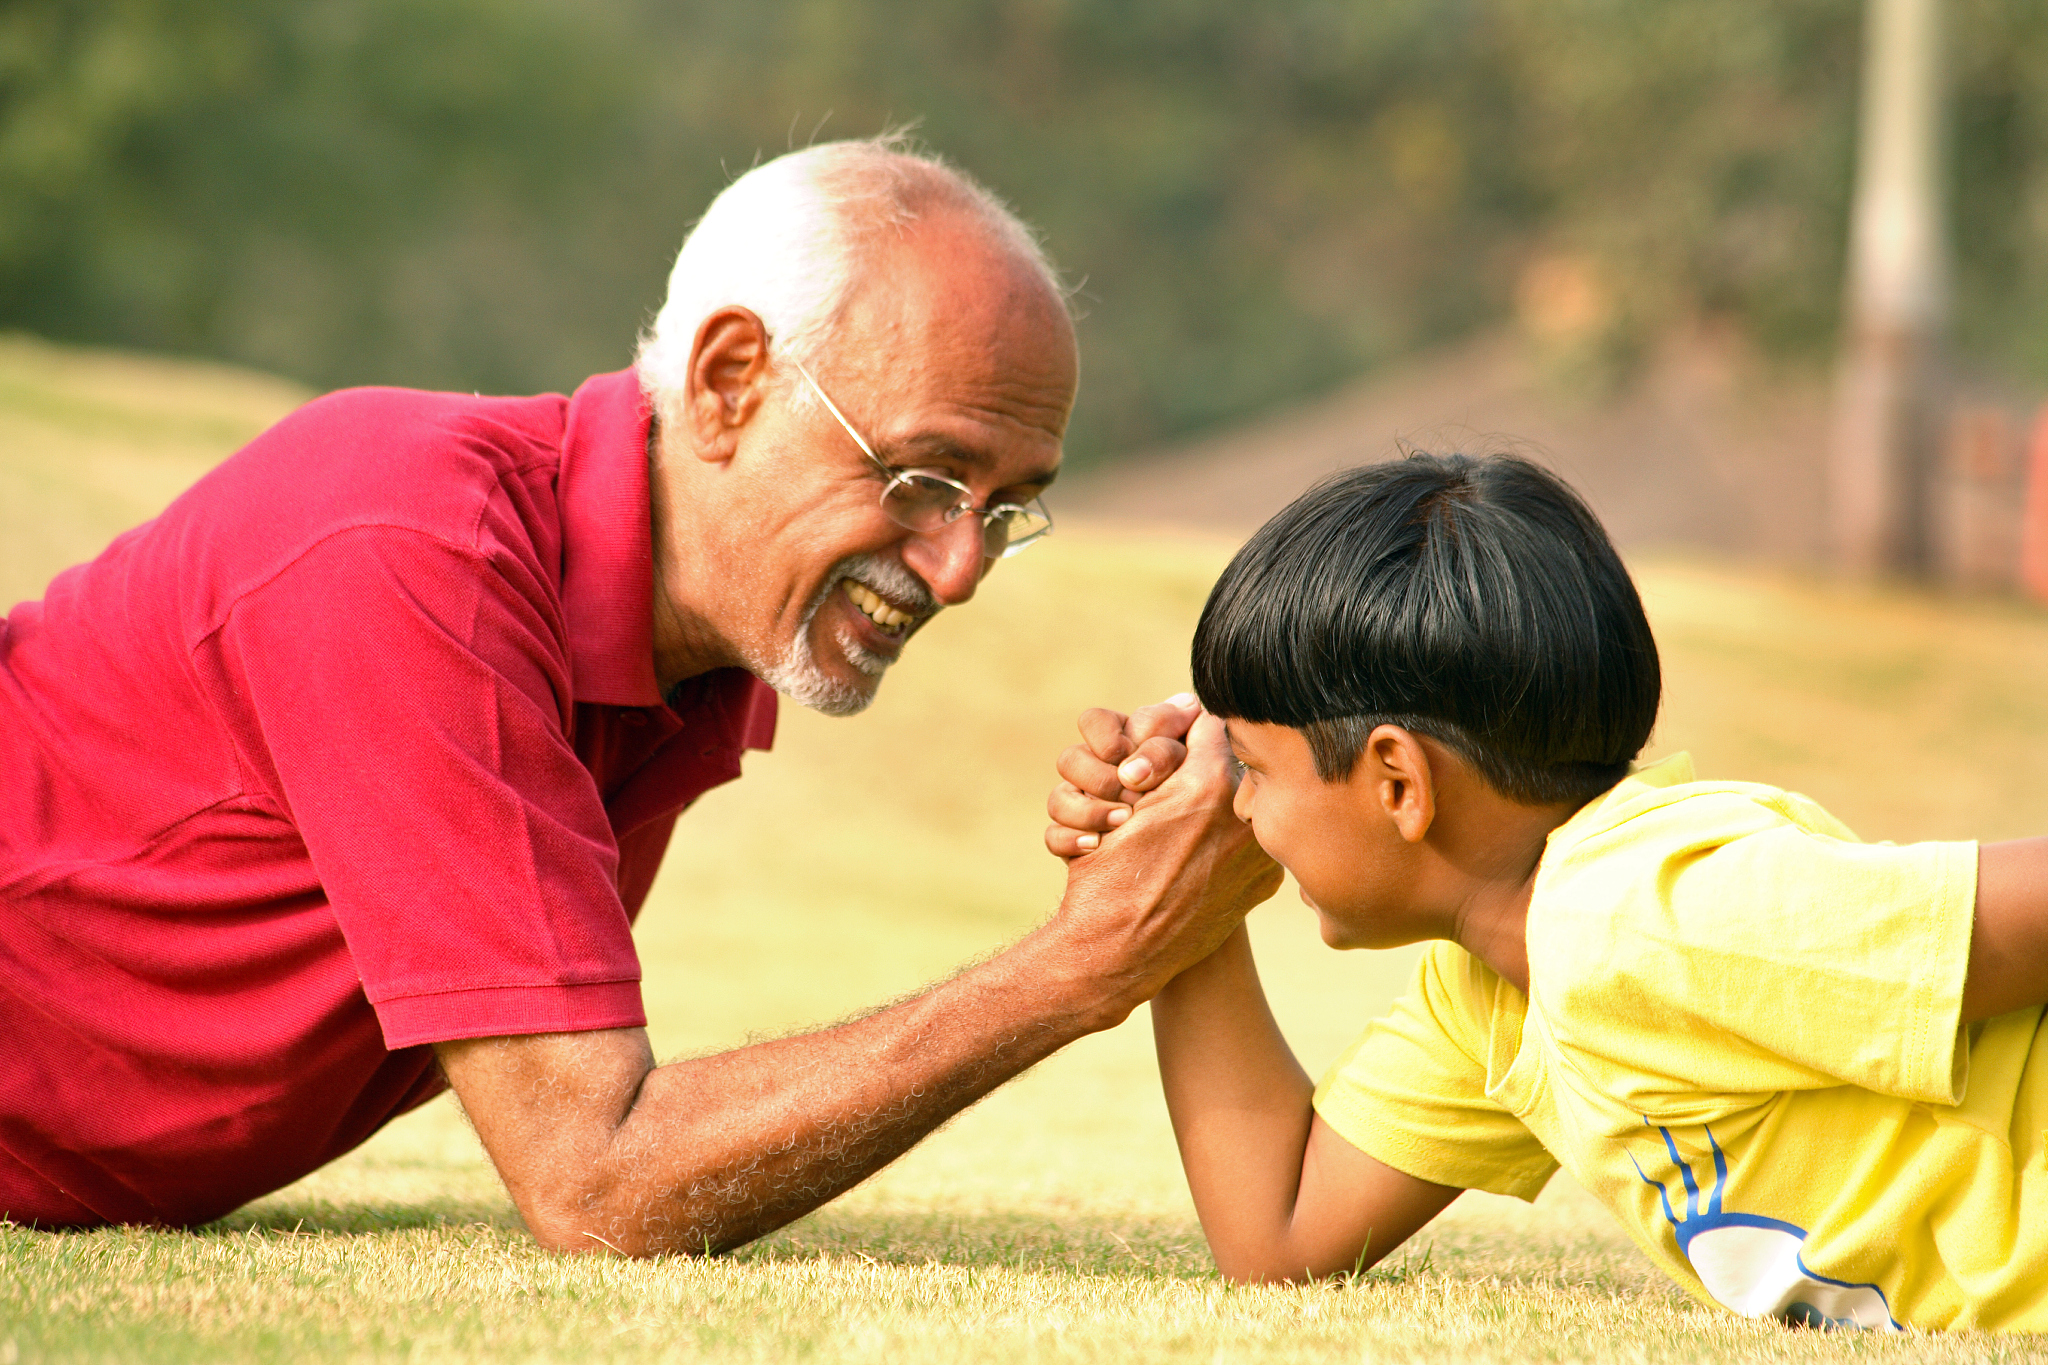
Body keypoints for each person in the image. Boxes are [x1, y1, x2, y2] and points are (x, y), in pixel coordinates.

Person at [0, 136, 1277, 1253]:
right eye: (926, 478)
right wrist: (1083, 962)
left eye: (1005, 510)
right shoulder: (403, 541)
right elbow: (598, 1177)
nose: (958, 571)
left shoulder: (695, 663)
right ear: (729, 382)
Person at [1044, 453, 2048, 1331]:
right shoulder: (1496, 991)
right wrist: (1178, 896)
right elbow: (1278, 1233)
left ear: (1398, 783)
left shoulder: (1648, 916)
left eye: (1251, 772)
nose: (1237, 812)